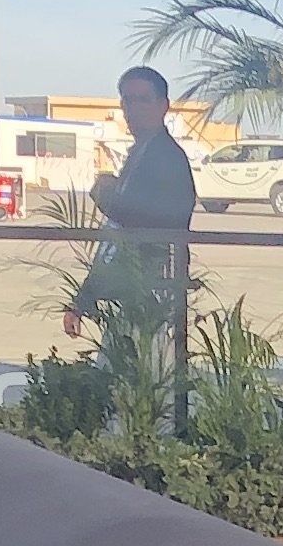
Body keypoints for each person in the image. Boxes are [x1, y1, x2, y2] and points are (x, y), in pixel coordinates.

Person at [62, 65, 197, 342]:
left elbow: (158, 219)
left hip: (152, 294)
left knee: (148, 364)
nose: (134, 109)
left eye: (143, 100)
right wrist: (83, 300)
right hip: (130, 291)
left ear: (163, 106)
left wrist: (109, 197)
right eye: (128, 100)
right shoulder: (140, 154)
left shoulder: (167, 157)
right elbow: (117, 233)